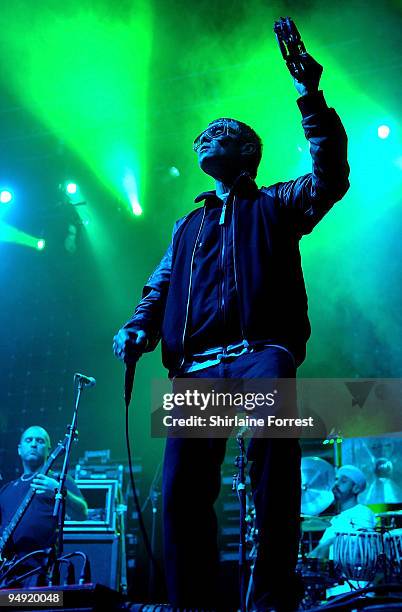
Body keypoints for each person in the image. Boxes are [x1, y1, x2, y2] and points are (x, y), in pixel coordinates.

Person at [113, 34, 349, 611]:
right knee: (183, 492)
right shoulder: (186, 228)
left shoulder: (275, 204)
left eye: (218, 133)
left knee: (272, 468)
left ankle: (269, 597)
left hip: (259, 350)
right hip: (196, 368)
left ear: (246, 153)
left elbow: (331, 178)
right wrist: (140, 326)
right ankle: (189, 601)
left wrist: (309, 95)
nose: (203, 139)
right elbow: (159, 284)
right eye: (201, 135)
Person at [0, 425, 88, 583]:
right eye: (29, 440)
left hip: (39, 572)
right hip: (6, 573)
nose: (34, 444)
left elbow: (82, 513)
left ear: (48, 449)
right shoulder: (6, 490)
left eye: (40, 441)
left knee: (38, 606)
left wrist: (56, 488)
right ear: (19, 449)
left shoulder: (59, 480)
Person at [309, 465, 376, 559]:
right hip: (334, 572)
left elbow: (360, 545)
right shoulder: (335, 519)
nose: (336, 484)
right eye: (336, 479)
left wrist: (329, 543)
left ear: (355, 488)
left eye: (343, 481)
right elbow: (321, 550)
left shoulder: (363, 512)